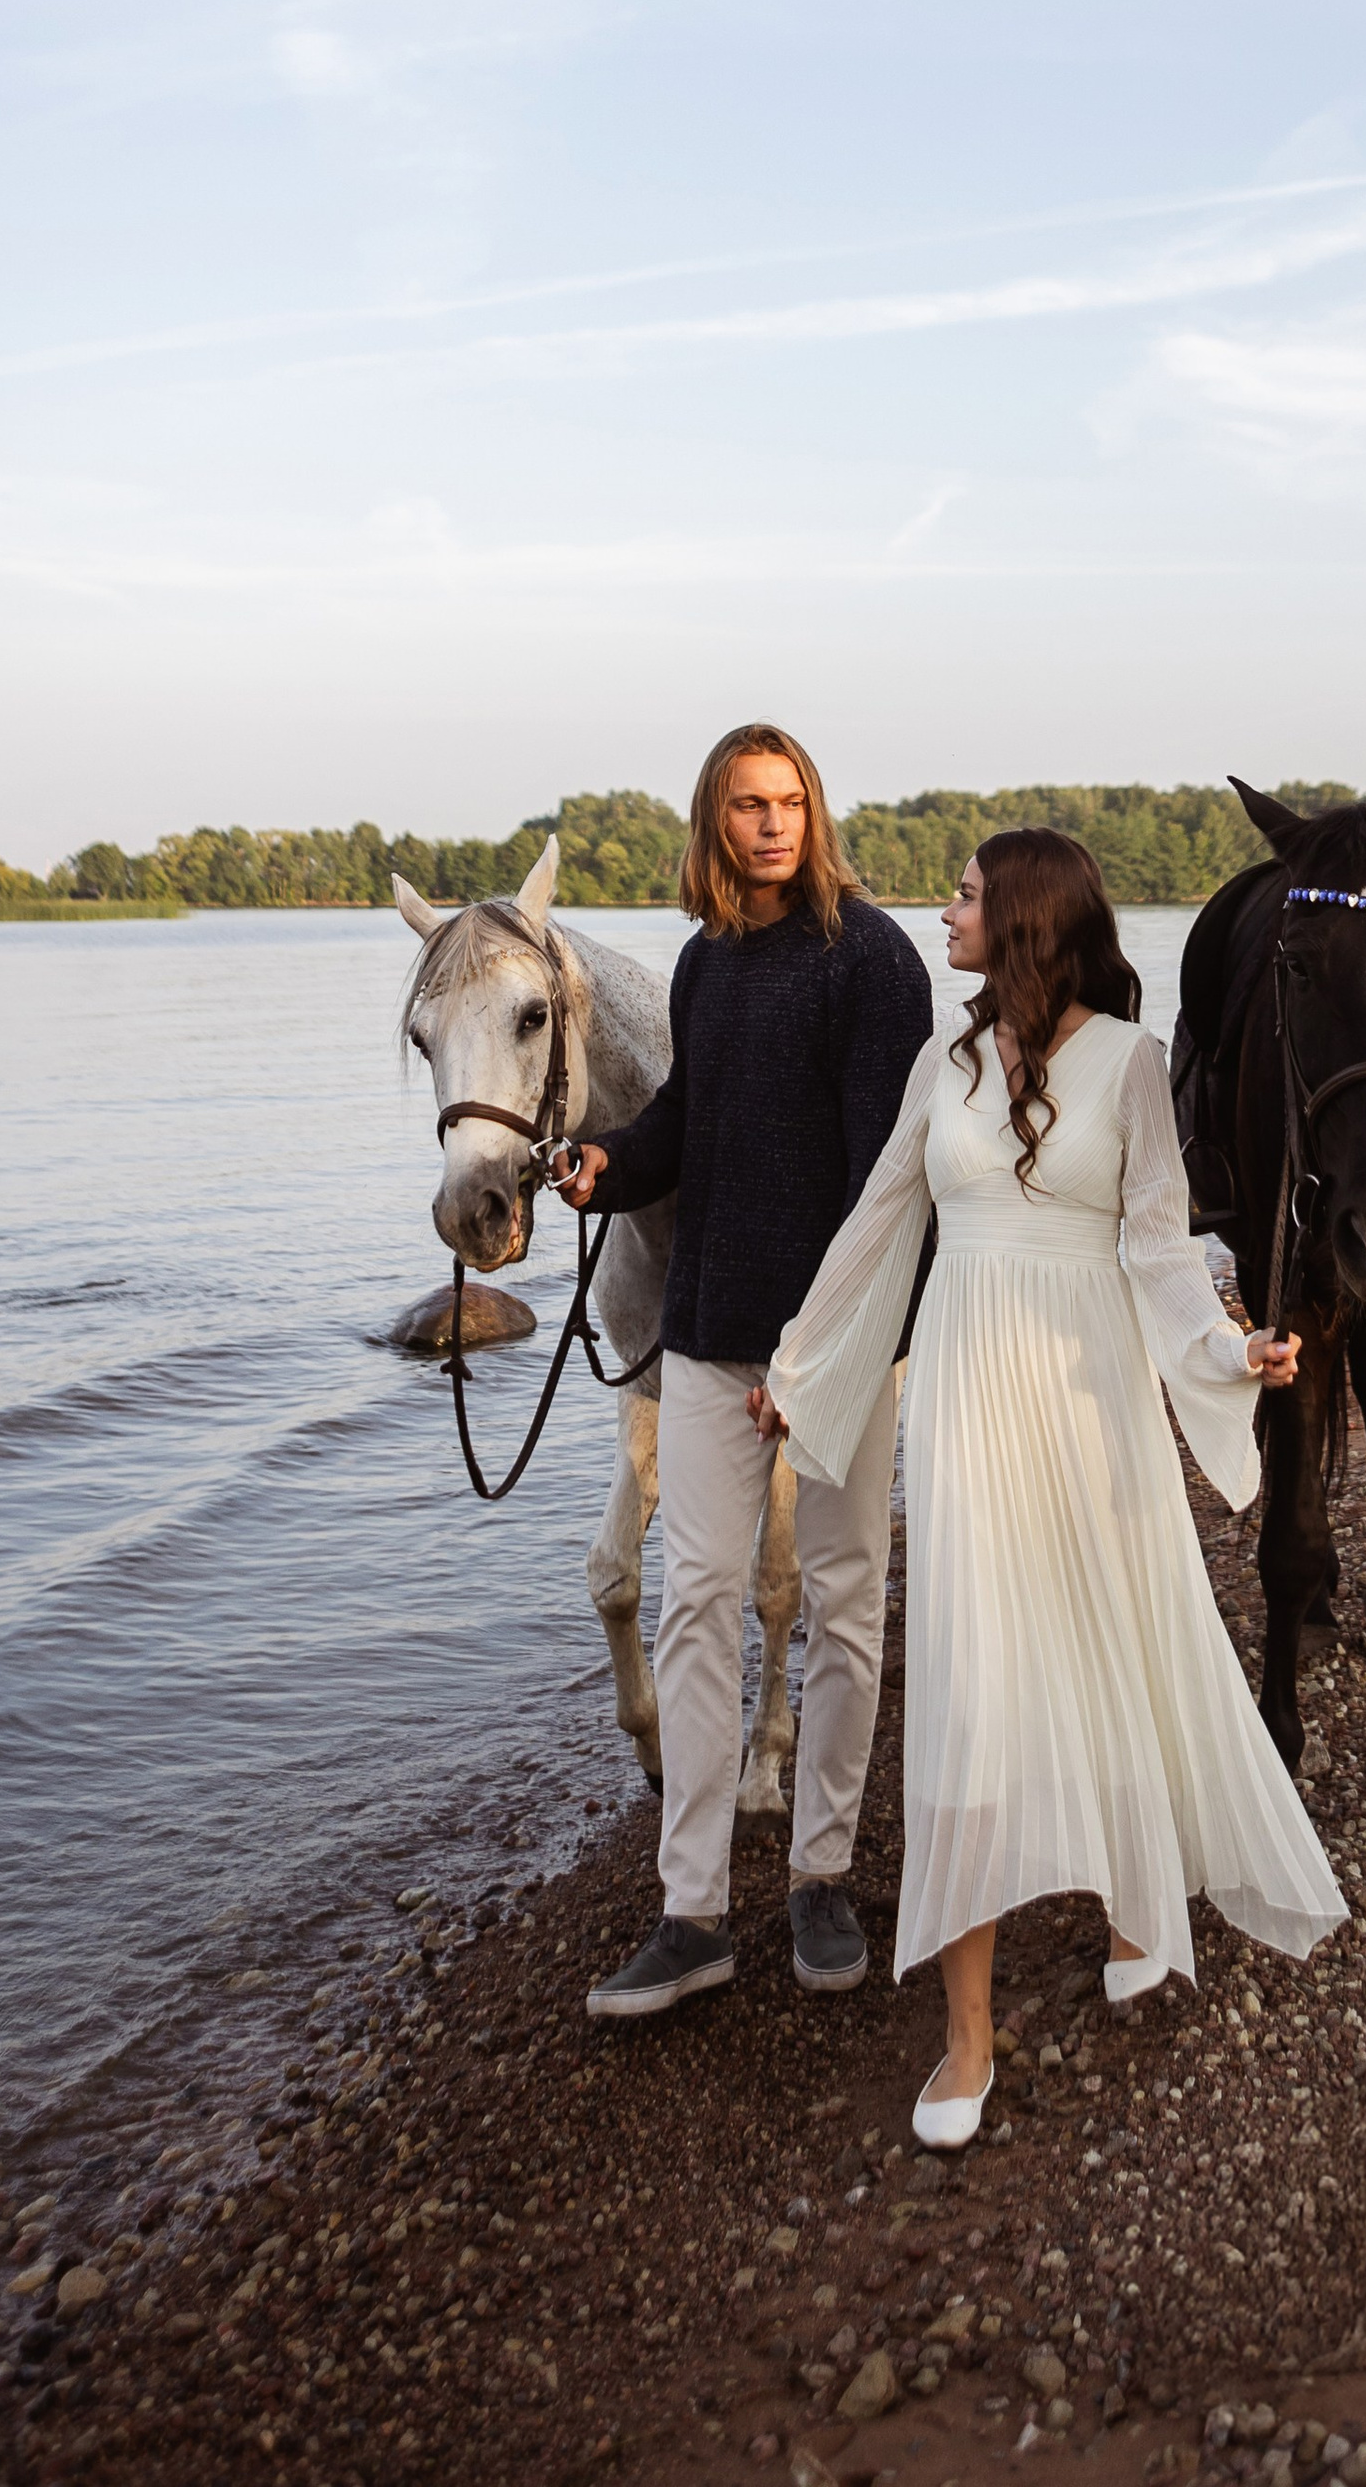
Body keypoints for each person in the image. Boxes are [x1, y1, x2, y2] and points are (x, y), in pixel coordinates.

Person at [752, 825, 1346, 2148]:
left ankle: (1141, 1898)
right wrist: (799, 1368)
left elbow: (1156, 1244)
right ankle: (967, 2037)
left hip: (1092, 1399)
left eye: (963, 893)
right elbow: (875, 1229)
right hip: (966, 1393)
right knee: (970, 1675)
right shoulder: (937, 1065)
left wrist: (1227, 1348)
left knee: (1112, 1642)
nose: (943, 910)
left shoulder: (1133, 1066)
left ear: (1021, 918)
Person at [552, 725, 934, 2015]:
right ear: (713, 822)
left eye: (789, 803)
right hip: (709, 1339)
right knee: (698, 1604)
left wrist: (823, 1351)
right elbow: (684, 1127)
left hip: (831, 1344)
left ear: (813, 814)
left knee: (842, 1600)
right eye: (745, 805)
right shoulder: (707, 963)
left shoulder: (873, 959)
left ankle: (821, 1877)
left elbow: (887, 1181)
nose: (770, 825)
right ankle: (693, 1911)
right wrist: (612, 1164)